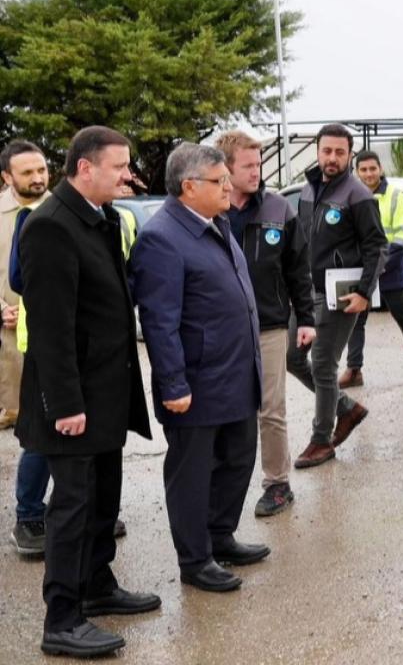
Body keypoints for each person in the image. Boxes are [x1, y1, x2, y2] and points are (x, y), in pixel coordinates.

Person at [16, 126, 157, 658]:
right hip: (72, 403)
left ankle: (97, 586)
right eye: (119, 166)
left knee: (103, 498)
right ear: (85, 168)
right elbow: (51, 330)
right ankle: (62, 618)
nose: (128, 174)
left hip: (105, 393)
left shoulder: (102, 220)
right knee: (70, 508)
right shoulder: (49, 227)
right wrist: (66, 405)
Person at [130, 143, 268, 594]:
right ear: (189, 187)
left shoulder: (216, 223)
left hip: (235, 375)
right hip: (196, 383)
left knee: (237, 458)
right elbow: (160, 320)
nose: (229, 186)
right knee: (192, 473)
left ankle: (220, 536)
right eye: (219, 181)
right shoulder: (162, 238)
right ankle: (195, 559)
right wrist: (173, 382)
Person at [217, 130, 315, 517]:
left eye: (259, 164)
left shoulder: (278, 208)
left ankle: (277, 484)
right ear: (226, 168)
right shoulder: (211, 208)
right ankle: (224, 482)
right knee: (226, 409)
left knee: (270, 409)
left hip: (270, 324)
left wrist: (306, 318)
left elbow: (297, 269)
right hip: (222, 329)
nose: (257, 172)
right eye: (248, 166)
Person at [288, 124, 386, 468]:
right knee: (293, 359)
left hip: (341, 294)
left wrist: (364, 292)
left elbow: (377, 246)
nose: (332, 158)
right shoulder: (307, 189)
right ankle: (345, 407)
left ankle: (321, 441)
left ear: (349, 154)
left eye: (339, 152)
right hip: (307, 293)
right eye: (326, 151)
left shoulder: (357, 194)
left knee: (325, 365)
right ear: (317, 151)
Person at [2, 141, 52, 556]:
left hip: (61, 341)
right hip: (16, 346)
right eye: (27, 173)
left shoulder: (62, 207)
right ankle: (29, 517)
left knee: (70, 428)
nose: (37, 178)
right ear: (7, 177)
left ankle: (71, 507)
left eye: (41, 169)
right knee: (36, 434)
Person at [339, 151, 403, 387]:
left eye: (372, 169)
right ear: (356, 172)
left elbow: (402, 239)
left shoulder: (396, 197)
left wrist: (378, 267)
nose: (368, 174)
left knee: (401, 315)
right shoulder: (350, 197)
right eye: (363, 169)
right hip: (361, 270)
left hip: (390, 269)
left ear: (381, 169)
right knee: (356, 319)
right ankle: (354, 369)